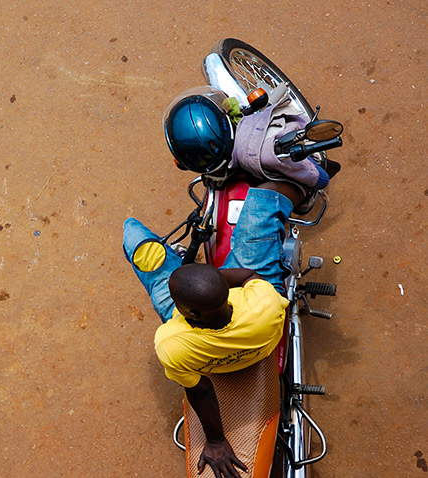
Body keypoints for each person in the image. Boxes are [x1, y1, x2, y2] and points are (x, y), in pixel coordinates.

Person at [123, 86, 334, 478]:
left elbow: (199, 390)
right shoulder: (265, 306)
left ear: (185, 313)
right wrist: (217, 276)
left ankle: (178, 272)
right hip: (257, 335)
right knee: (262, 205)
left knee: (134, 238)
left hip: (210, 345)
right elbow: (254, 275)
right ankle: (302, 182)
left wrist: (216, 441)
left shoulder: (172, 343)